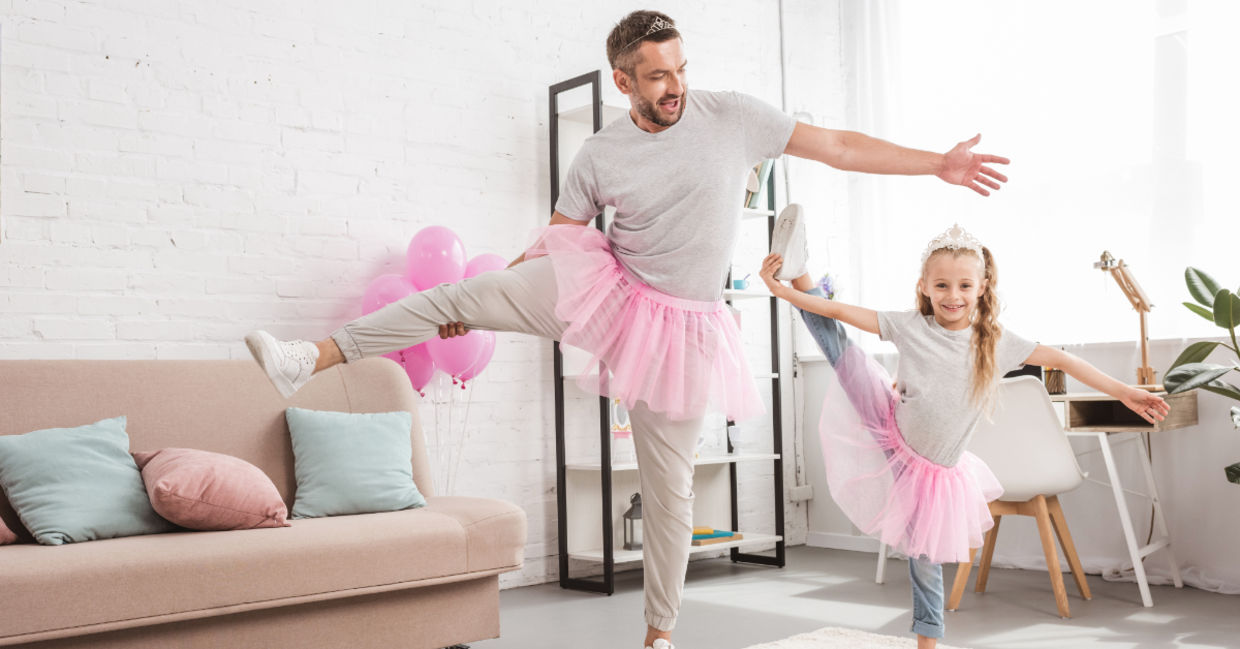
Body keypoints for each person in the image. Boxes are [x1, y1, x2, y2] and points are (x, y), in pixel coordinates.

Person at [244, 10, 1012, 649]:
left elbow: (838, 146)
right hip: (607, 288)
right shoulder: (600, 153)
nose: (675, 85)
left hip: (681, 331)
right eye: (657, 76)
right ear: (623, 81)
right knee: (461, 290)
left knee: (669, 489)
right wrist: (490, 294)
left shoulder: (732, 117)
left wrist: (936, 164)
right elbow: (556, 236)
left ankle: (658, 634)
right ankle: (308, 356)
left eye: (680, 69)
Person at [758, 223, 1170, 649]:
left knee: (924, 561)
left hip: (932, 471)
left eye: (964, 285)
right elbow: (838, 312)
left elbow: (1063, 360)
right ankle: (800, 271)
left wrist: (1125, 392)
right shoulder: (909, 325)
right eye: (941, 285)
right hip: (889, 425)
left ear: (982, 288)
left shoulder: (995, 341)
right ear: (924, 286)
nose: (952, 295)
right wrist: (783, 291)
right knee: (842, 353)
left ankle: (927, 644)